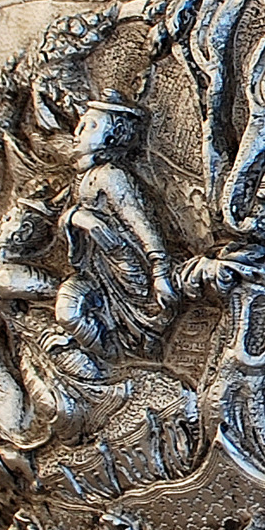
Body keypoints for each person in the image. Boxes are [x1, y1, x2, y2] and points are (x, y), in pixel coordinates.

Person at [54, 93, 179, 361]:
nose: (77, 132)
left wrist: (160, 270)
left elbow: (140, 222)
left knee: (134, 330)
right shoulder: (81, 179)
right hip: (96, 271)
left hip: (127, 270)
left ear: (112, 137)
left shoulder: (110, 175)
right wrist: (76, 217)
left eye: (90, 126)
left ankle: (116, 359)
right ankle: (105, 360)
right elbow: (63, 221)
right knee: (67, 310)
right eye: (81, 124)